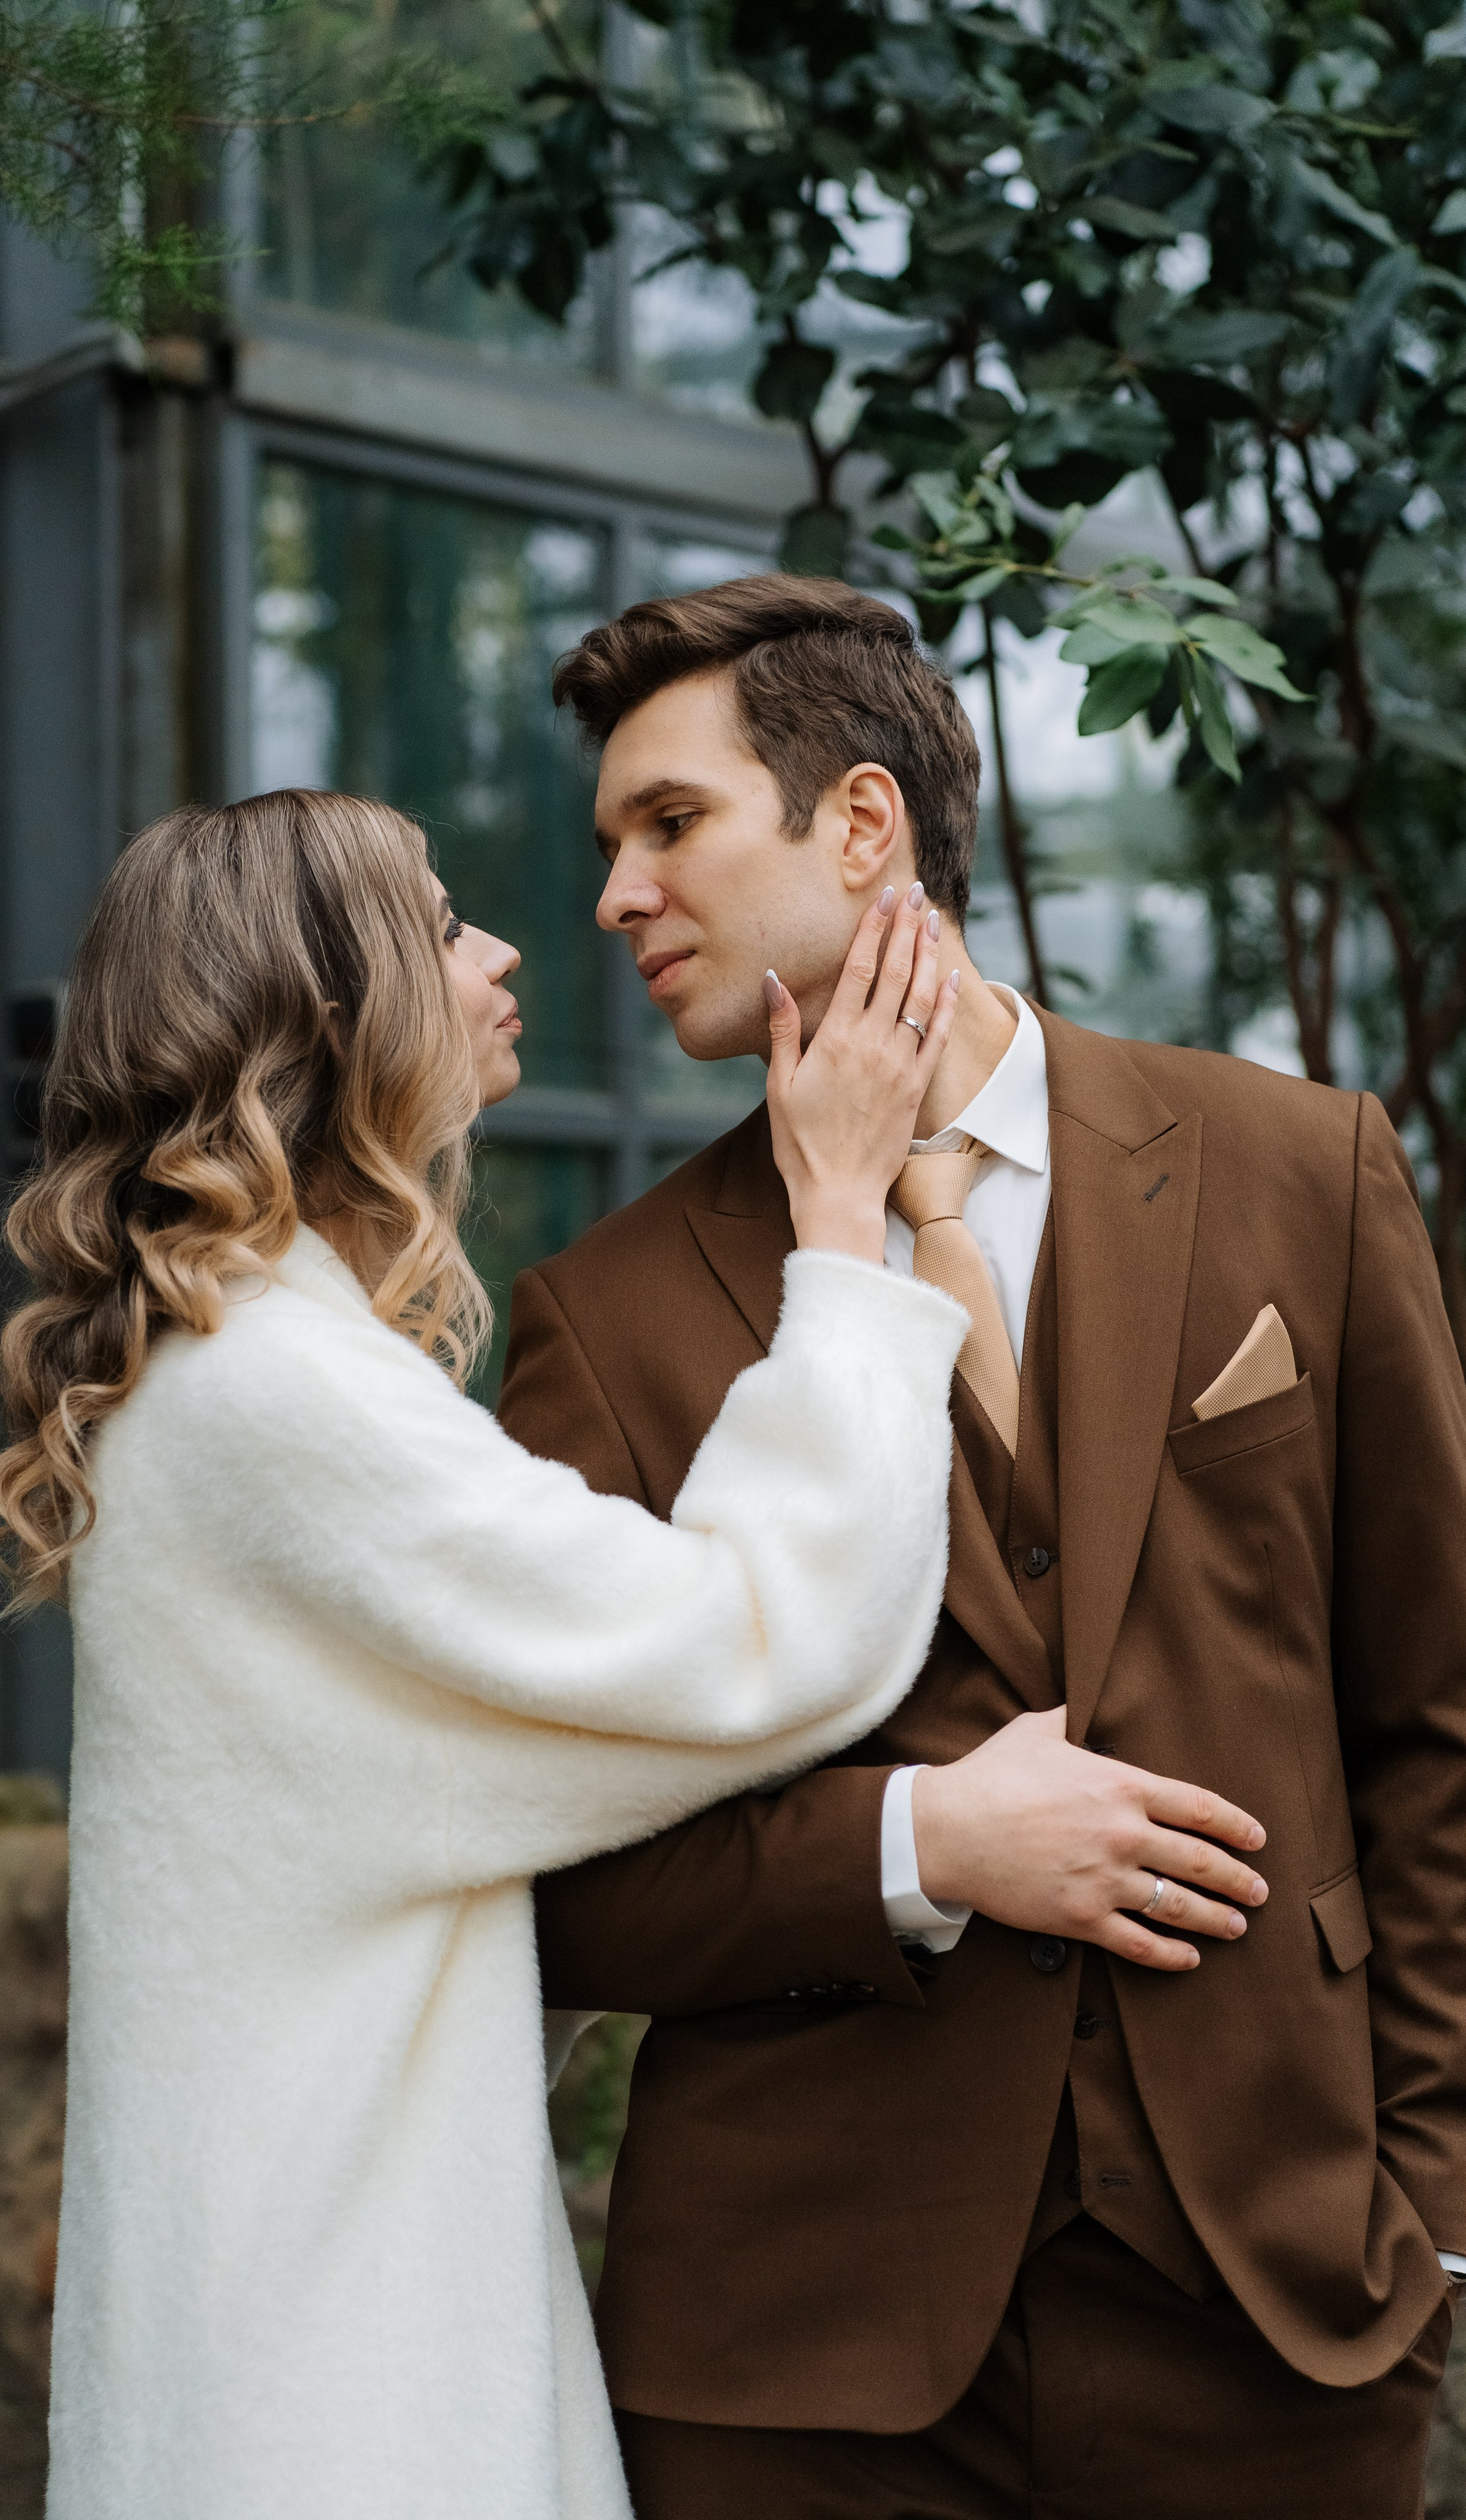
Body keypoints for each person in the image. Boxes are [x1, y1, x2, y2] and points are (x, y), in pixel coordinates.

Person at [500, 576, 1466, 2520]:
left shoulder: (1303, 1173)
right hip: (801, 2359)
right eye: (613, 841)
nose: (613, 893)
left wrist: (1432, 2213)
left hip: (1279, 2310)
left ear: (860, 826)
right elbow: (558, 1880)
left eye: (667, 823)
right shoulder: (602, 1319)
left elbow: (1436, 1722)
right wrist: (920, 1849)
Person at [0, 785, 1007, 2520]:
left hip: (287, 2323)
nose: (507, 947)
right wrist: (840, 1229)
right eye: (448, 924)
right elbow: (749, 1638)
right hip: (333, 2386)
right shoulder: (275, 1397)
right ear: (335, 1010)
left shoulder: (233, 1366)